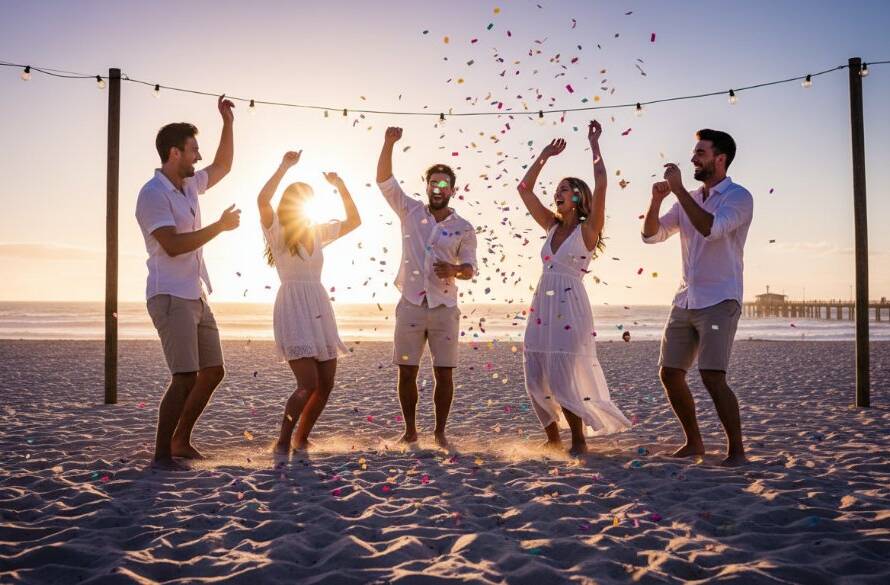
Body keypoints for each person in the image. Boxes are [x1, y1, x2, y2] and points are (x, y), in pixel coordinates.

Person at [517, 121, 631, 456]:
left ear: (579, 197)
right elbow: (524, 189)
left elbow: (601, 182)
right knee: (535, 372)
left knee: (562, 373)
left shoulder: (589, 229)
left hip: (570, 305)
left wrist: (594, 144)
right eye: (558, 189)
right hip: (542, 304)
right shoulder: (550, 226)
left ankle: (578, 441)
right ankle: (552, 438)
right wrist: (545, 156)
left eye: (565, 189)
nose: (558, 193)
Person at [135, 96, 238, 469]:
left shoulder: (191, 185)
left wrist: (227, 121)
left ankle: (181, 440)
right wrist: (219, 228)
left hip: (196, 293)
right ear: (174, 152)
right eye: (194, 150)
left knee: (213, 371)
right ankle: (162, 455)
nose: (199, 156)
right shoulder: (152, 195)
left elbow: (224, 165)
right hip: (169, 295)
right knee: (183, 377)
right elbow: (173, 245)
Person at [641, 128, 753, 467]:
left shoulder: (738, 197)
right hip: (686, 299)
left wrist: (677, 190)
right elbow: (651, 236)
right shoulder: (685, 198)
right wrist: (658, 200)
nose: (693, 158)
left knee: (712, 376)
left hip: (721, 299)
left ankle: (737, 450)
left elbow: (711, 228)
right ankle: (694, 442)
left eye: (700, 153)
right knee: (670, 373)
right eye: (694, 152)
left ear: (721, 159)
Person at [376, 126, 478, 449]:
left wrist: (454, 269)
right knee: (406, 372)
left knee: (444, 374)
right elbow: (384, 181)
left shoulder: (463, 228)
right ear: (427, 186)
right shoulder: (410, 210)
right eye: (433, 183)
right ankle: (410, 431)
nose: (438, 188)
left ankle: (440, 432)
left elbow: (471, 268)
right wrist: (388, 142)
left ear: (452, 190)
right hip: (410, 303)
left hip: (445, 307)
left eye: (443, 184)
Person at [258, 151, 361, 454]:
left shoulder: (317, 231)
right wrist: (284, 166)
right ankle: (282, 441)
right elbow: (262, 200)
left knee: (326, 382)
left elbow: (355, 221)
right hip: (292, 306)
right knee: (307, 383)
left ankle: (302, 437)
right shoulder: (276, 231)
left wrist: (340, 185)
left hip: (318, 306)